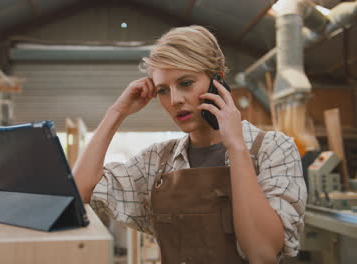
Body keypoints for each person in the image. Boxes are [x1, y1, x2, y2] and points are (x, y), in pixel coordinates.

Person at [73, 25, 306, 264]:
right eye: (163, 90)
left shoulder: (273, 149)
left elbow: (262, 253)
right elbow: (79, 192)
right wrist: (117, 112)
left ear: (218, 81)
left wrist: (236, 147)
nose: (174, 100)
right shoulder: (158, 160)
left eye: (186, 83)